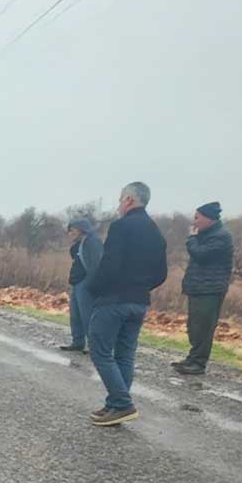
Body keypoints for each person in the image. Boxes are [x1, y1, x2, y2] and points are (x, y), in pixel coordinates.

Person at [85, 181, 168, 426]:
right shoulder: (156, 232)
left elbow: (109, 265)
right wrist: (140, 287)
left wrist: (94, 288)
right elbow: (161, 274)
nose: (119, 204)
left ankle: (122, 403)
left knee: (100, 350)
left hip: (114, 300)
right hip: (139, 302)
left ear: (130, 200)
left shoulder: (121, 227)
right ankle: (114, 405)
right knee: (125, 354)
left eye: (121, 199)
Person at [172, 201, 234, 376]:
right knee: (194, 326)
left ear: (209, 218)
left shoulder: (221, 236)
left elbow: (200, 254)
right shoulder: (206, 234)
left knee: (204, 327)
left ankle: (199, 363)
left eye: (197, 218)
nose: (195, 222)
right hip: (198, 288)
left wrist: (192, 238)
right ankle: (192, 358)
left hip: (210, 290)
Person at [60, 218, 104, 353]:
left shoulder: (93, 242)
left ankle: (94, 346)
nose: (70, 234)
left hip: (86, 283)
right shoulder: (80, 243)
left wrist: (92, 283)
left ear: (81, 230)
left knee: (87, 316)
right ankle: (77, 341)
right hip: (77, 283)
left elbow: (96, 264)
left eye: (72, 230)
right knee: (76, 315)